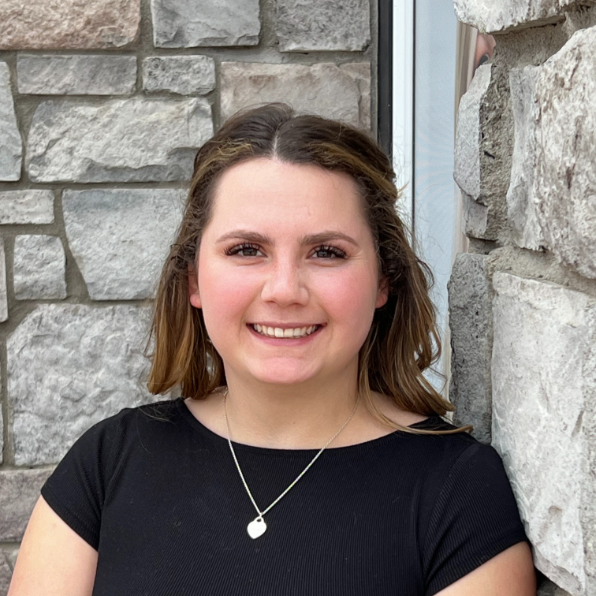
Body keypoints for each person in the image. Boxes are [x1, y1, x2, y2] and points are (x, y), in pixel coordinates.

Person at [8, 104, 536, 596]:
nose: (284, 290)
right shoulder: (108, 465)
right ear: (193, 279)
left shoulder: (457, 491)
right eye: (246, 250)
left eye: (326, 252)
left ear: (384, 279)